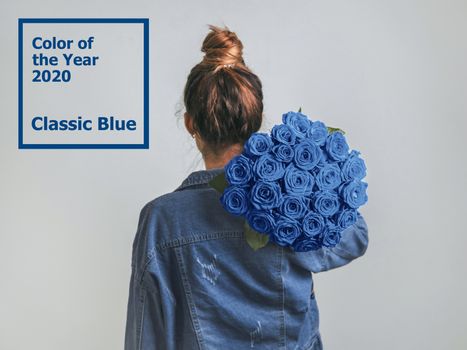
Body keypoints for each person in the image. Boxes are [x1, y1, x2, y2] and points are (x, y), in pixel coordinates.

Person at [124, 24, 369, 350]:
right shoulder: (289, 203)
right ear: (256, 119)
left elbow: (147, 338)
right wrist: (309, 180)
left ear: (190, 124)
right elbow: (355, 238)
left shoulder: (162, 221)